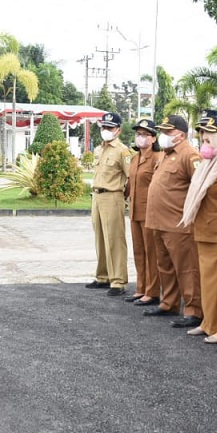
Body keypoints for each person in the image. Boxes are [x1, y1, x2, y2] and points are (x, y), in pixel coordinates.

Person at [178, 114, 217, 342]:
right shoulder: (208, 165)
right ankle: (209, 322)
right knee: (209, 283)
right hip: (205, 232)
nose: (205, 137)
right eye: (202, 133)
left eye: (210, 133)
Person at [143, 115, 203, 327]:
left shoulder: (190, 155)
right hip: (158, 221)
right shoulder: (166, 155)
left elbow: (200, 188)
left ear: (181, 135)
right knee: (165, 266)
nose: (164, 136)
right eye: (163, 131)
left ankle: (194, 310)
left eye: (168, 132)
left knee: (186, 269)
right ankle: (169, 303)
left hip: (177, 224)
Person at [85, 112, 131, 296]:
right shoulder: (98, 149)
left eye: (110, 128)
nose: (106, 130)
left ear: (118, 130)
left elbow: (131, 178)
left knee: (115, 239)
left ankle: (118, 281)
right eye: (103, 127)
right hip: (97, 196)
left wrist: (125, 197)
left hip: (113, 196)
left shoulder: (122, 151)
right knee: (100, 238)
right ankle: (102, 276)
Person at [126, 118, 161, 306]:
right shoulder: (134, 158)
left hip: (150, 212)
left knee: (151, 252)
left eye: (146, 134)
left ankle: (152, 291)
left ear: (154, 138)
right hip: (134, 211)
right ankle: (141, 287)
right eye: (139, 134)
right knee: (139, 251)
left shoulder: (158, 158)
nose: (141, 138)